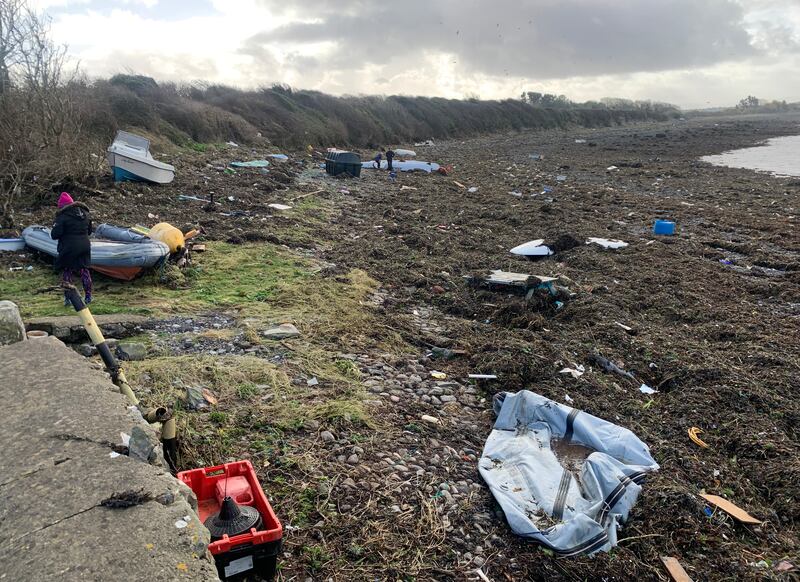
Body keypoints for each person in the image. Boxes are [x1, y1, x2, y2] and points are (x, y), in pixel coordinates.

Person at [51, 192, 93, 305]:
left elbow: (55, 235)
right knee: (84, 270)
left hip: (69, 247)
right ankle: (88, 296)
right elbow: (89, 231)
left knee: (67, 271)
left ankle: (68, 298)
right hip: (85, 245)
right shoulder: (85, 214)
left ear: (62, 206)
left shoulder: (62, 216)